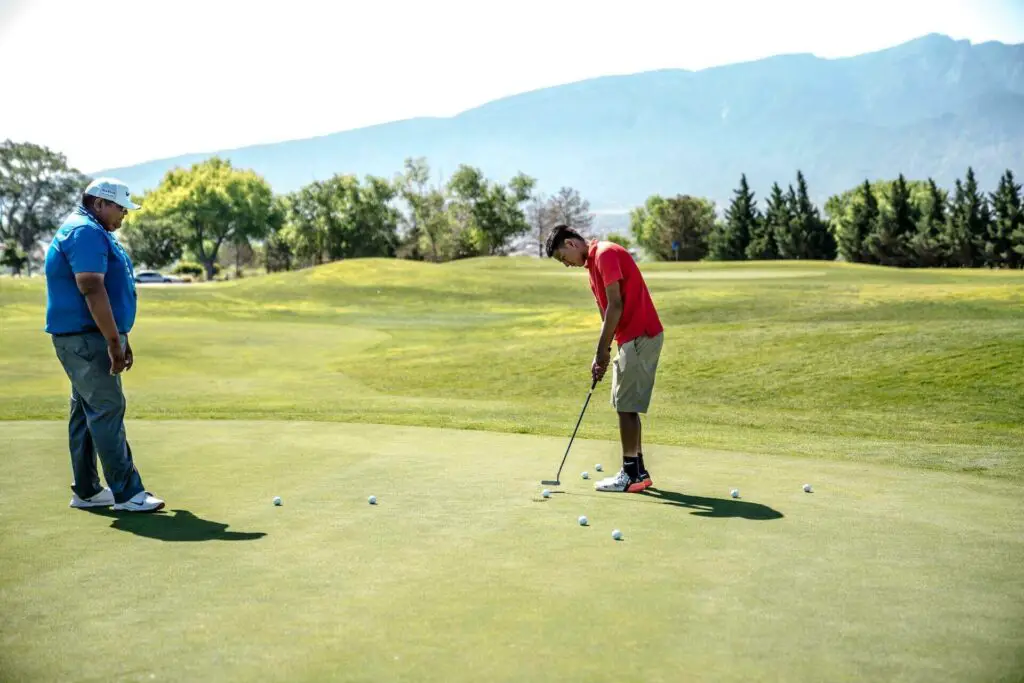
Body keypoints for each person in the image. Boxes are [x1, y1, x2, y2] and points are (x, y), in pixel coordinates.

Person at [44, 177, 164, 512]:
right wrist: (113, 341)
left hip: (89, 335)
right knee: (107, 408)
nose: (124, 215)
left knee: (85, 412)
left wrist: (120, 335)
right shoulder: (86, 232)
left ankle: (88, 491)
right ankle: (127, 493)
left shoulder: (91, 231)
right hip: (86, 337)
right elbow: (91, 287)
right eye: (120, 208)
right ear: (99, 203)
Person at [545, 224, 665, 493]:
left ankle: (631, 474)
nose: (566, 265)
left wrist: (601, 351)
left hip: (640, 334)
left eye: (564, 258)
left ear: (572, 244)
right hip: (629, 338)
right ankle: (639, 472)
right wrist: (602, 352)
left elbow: (616, 305)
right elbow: (605, 313)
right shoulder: (592, 267)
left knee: (625, 406)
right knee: (625, 404)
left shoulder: (606, 254)